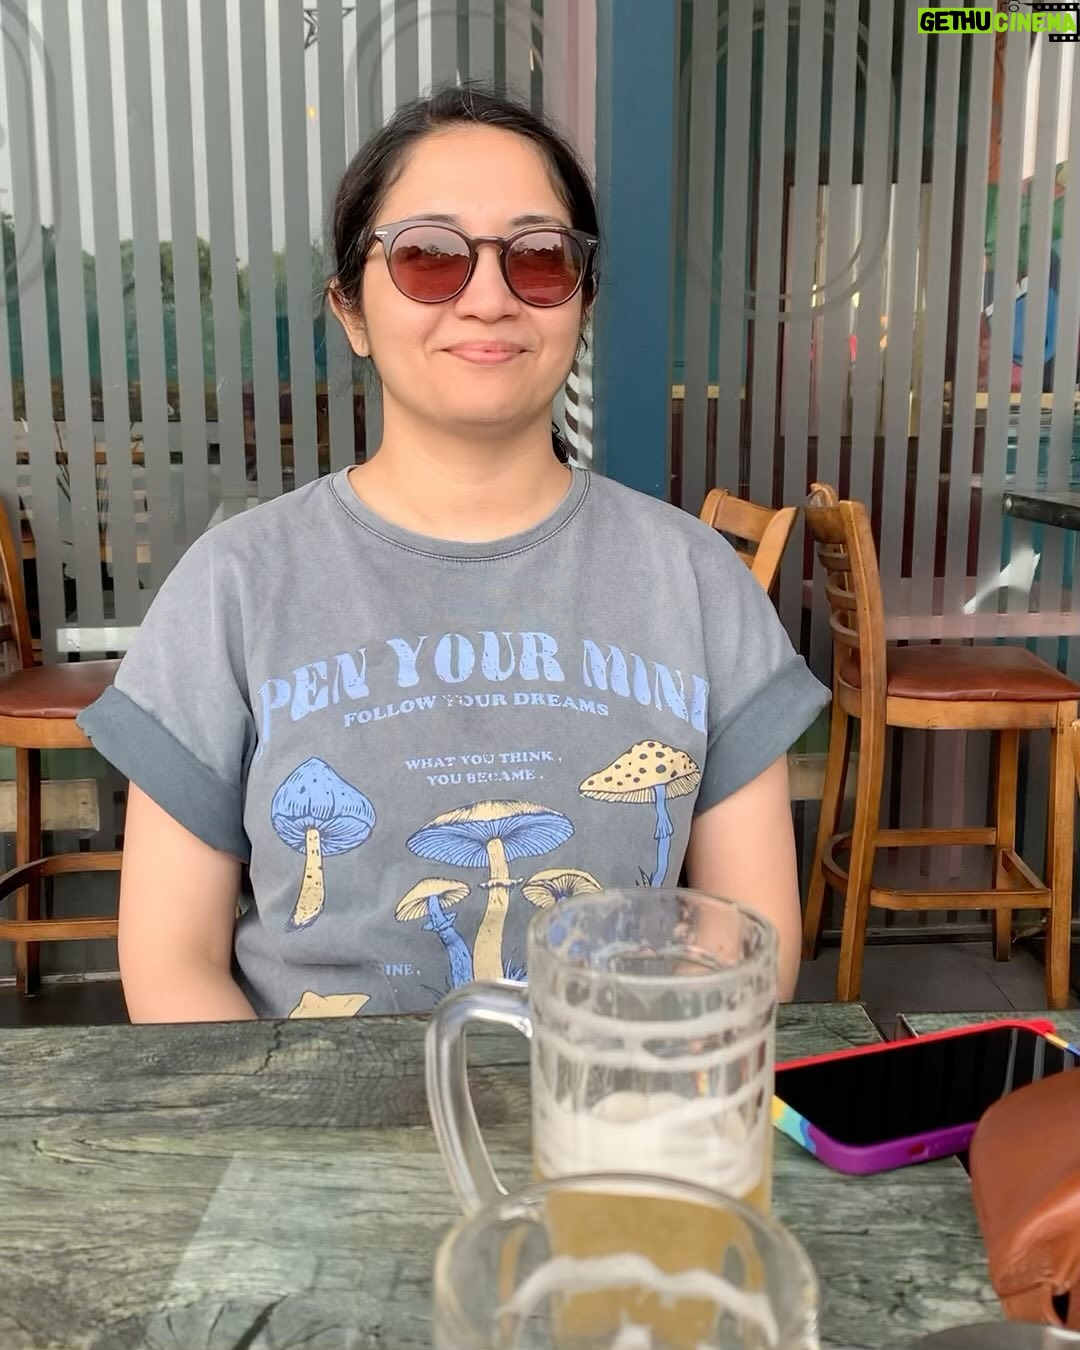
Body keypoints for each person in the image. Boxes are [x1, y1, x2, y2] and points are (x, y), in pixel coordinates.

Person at [78, 83, 828, 1023]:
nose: (488, 298)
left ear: (582, 302)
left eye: (539, 258)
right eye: (429, 257)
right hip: (308, 1107)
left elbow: (748, 942)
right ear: (351, 310)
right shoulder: (232, 588)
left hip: (611, 1098)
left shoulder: (698, 582)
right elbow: (172, 963)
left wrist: (620, 1089)